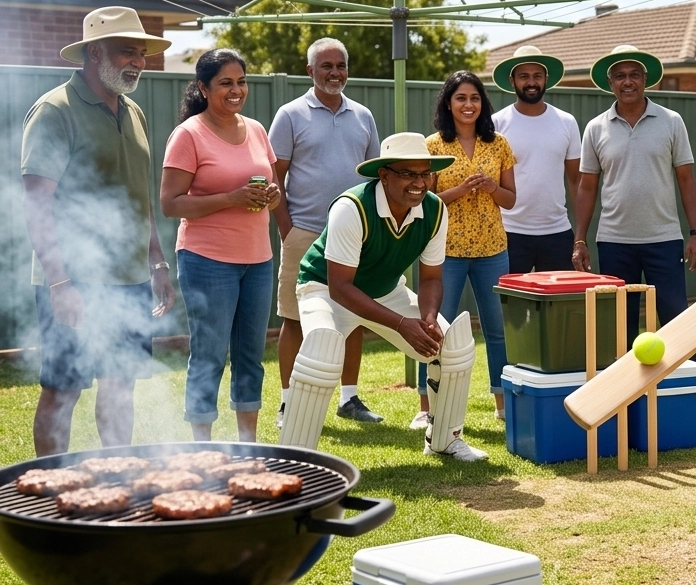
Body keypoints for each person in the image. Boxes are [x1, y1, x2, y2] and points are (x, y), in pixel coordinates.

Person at [21, 7, 176, 456]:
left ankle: (116, 472)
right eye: (128, 52)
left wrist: (158, 263)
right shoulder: (54, 110)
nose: (138, 62)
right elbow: (36, 202)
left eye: (141, 54)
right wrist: (60, 283)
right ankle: (49, 487)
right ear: (94, 53)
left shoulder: (134, 112)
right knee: (64, 388)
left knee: (120, 383)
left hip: (129, 278)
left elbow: (139, 194)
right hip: (74, 279)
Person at [278, 132, 487, 461]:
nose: (418, 183)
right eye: (407, 173)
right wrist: (403, 324)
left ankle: (445, 440)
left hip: (386, 291)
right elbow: (340, 287)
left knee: (453, 346)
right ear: (384, 175)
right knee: (322, 349)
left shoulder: (434, 210)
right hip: (324, 289)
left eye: (424, 174)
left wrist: (428, 318)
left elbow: (431, 277)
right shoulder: (352, 207)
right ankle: (296, 458)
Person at [160, 49, 280, 442]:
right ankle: (202, 446)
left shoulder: (258, 130)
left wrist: (271, 196)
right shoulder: (189, 134)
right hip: (206, 260)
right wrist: (231, 198)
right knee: (210, 354)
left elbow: (272, 192)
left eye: (241, 81)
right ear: (203, 88)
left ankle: (248, 443)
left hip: (258, 260)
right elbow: (170, 204)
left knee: (251, 355)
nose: (236, 90)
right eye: (226, 83)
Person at [268, 38, 382, 428]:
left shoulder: (363, 116)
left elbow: (374, 179)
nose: (335, 73)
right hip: (305, 233)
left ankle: (349, 398)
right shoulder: (290, 114)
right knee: (295, 319)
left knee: (353, 317)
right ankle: (287, 404)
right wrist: (289, 229)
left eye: (341, 65)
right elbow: (274, 179)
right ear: (310, 71)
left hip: (354, 237)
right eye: (326, 66)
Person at [573, 45, 696, 341]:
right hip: (614, 242)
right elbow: (587, 186)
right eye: (619, 76)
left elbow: (686, 179)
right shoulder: (596, 128)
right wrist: (580, 240)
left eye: (634, 74)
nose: (627, 81)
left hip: (664, 240)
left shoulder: (671, 121)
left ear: (646, 80)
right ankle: (625, 389)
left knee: (676, 323)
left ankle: (681, 386)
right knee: (618, 327)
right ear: (610, 84)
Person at [417, 72, 516, 425]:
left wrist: (491, 186)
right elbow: (423, 202)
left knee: (498, 329)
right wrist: (458, 191)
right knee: (432, 326)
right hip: (446, 251)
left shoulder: (499, 144)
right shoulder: (432, 146)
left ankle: (503, 404)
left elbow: (510, 200)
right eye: (461, 98)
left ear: (482, 103)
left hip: (493, 249)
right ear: (448, 103)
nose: (468, 104)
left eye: (474, 98)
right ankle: (426, 408)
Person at [491, 45, 582, 273]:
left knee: (558, 307)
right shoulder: (496, 124)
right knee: (510, 306)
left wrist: (580, 236)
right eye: (524, 76)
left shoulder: (567, 122)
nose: (531, 82)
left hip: (557, 232)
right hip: (508, 231)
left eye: (537, 76)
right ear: (512, 81)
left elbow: (576, 182)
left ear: (546, 80)